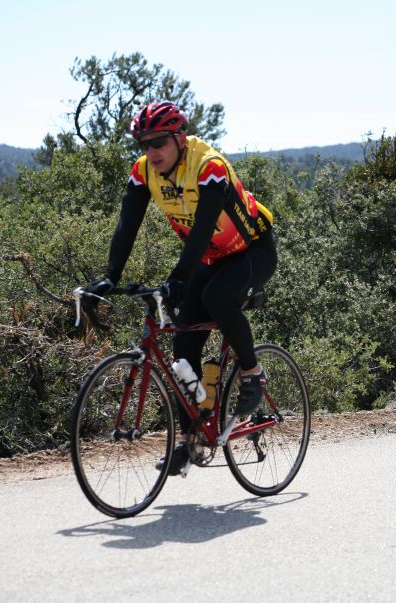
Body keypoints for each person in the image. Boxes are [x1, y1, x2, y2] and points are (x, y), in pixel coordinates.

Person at [81, 101, 277, 474]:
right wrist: (110, 277)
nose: (151, 152)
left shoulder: (209, 166)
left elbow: (202, 229)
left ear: (179, 139)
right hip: (212, 257)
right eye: (144, 144)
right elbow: (127, 226)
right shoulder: (144, 173)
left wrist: (179, 279)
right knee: (182, 342)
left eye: (159, 142)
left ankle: (252, 372)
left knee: (216, 297)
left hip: (253, 250)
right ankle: (189, 440)